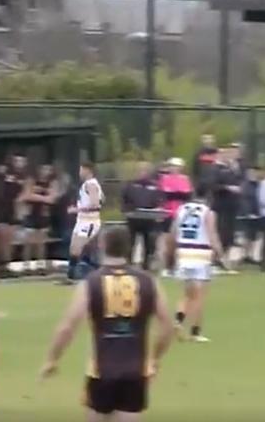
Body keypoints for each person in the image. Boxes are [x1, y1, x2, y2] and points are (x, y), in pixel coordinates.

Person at [40, 227, 174, 422]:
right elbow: (167, 327)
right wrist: (155, 358)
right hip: (136, 370)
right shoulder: (149, 282)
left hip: (101, 370)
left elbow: (67, 327)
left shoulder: (90, 283)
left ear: (102, 246)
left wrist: (52, 359)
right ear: (129, 247)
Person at [171, 185, 224, 343]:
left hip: (183, 252)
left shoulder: (181, 210)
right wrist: (220, 253)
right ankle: (195, 331)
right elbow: (211, 234)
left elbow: (173, 232)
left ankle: (178, 321)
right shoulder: (207, 212)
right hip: (200, 255)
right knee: (199, 296)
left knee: (188, 294)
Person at [61, 162, 104, 284]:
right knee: (73, 249)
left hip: (89, 221)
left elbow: (95, 204)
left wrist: (77, 209)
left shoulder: (91, 184)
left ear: (88, 170)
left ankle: (98, 272)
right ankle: (70, 276)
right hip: (81, 220)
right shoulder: (87, 184)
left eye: (81, 170)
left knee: (78, 248)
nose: (80, 173)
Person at [0, 154, 27, 274]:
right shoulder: (5, 172)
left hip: (13, 211)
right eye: (17, 161)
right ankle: (0, 265)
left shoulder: (24, 177)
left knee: (9, 240)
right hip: (2, 210)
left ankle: (7, 264)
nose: (19, 163)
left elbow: (24, 193)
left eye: (22, 161)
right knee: (2, 238)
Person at [121, 161, 163, 270]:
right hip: (133, 218)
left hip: (148, 219)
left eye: (145, 171)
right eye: (141, 171)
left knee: (149, 242)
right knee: (130, 241)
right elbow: (124, 200)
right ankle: (128, 264)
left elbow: (159, 201)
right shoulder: (130, 185)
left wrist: (158, 213)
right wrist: (126, 211)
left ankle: (146, 265)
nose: (143, 173)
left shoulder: (154, 186)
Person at [20, 165, 58, 273]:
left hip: (43, 215)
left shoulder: (52, 183)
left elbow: (52, 199)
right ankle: (26, 266)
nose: (45, 172)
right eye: (44, 169)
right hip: (30, 214)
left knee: (41, 242)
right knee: (28, 242)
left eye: (48, 169)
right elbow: (26, 196)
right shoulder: (31, 180)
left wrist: (34, 195)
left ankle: (40, 265)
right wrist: (43, 198)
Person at [158, 158, 193, 276]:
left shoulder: (185, 179)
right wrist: (178, 194)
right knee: (166, 241)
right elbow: (166, 195)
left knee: (180, 241)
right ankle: (165, 266)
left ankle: (178, 265)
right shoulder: (164, 179)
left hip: (182, 213)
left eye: (177, 166)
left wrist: (176, 194)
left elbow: (187, 195)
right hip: (168, 213)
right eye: (172, 166)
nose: (174, 168)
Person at [211, 147, 243, 270]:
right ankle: (216, 258)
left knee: (230, 234)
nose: (227, 156)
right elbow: (213, 185)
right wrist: (227, 188)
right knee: (220, 232)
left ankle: (225, 257)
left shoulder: (232, 169)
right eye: (224, 154)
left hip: (232, 205)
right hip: (220, 205)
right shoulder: (215, 169)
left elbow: (239, 181)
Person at [240, 165, 262, 264]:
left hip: (258, 213)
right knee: (247, 236)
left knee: (254, 236)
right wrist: (247, 213)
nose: (253, 175)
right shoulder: (245, 185)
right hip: (248, 214)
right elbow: (244, 200)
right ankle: (244, 255)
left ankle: (250, 255)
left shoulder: (259, 184)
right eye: (251, 173)